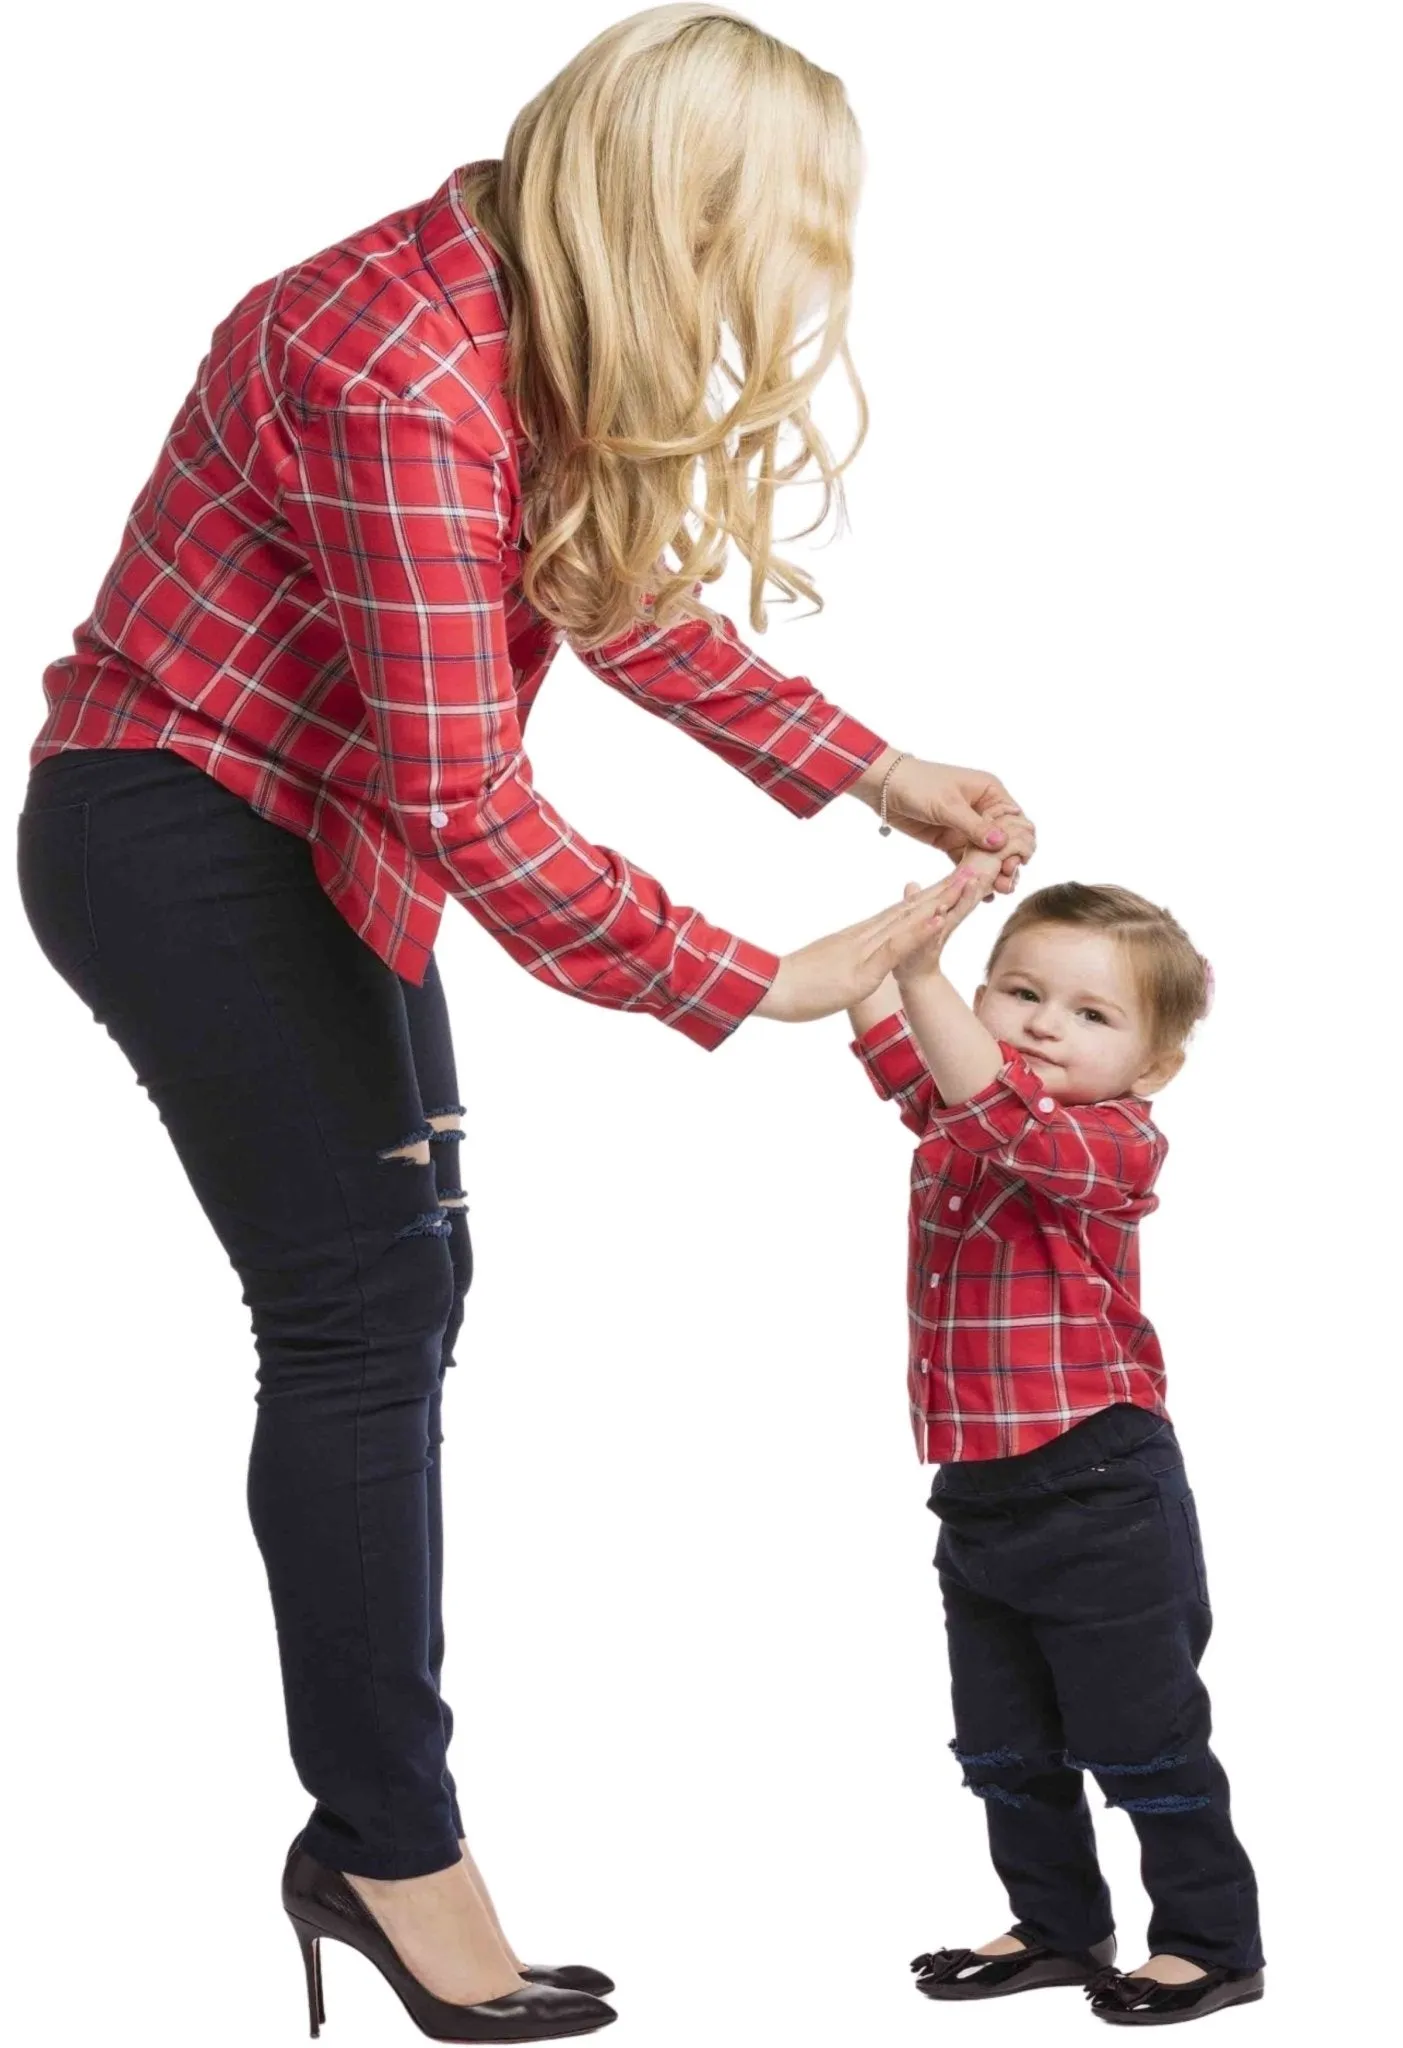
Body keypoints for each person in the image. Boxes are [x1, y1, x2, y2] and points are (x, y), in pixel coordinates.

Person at [15, 8, 1033, 2043]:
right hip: (181, 818)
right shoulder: (388, 359)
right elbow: (470, 796)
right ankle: (390, 1848)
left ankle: (377, 1834)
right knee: (357, 1309)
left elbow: (610, 590)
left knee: (408, 1289)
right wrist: (752, 982)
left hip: (325, 823)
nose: (771, 297)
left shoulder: (527, 301)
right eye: (763, 240)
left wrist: (879, 768)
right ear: (671, 207)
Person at [847, 879, 1263, 2027]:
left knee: (1143, 1736)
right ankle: (1055, 1923)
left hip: (1098, 1485)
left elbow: (1001, 1120)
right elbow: (897, 1045)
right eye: (1020, 990)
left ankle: (1210, 1942)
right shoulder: (960, 1101)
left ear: (1152, 1064)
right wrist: (894, 943)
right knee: (1002, 1741)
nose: (1041, 1022)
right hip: (978, 1492)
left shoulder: (1112, 1140)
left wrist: (928, 978)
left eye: (1091, 1014)